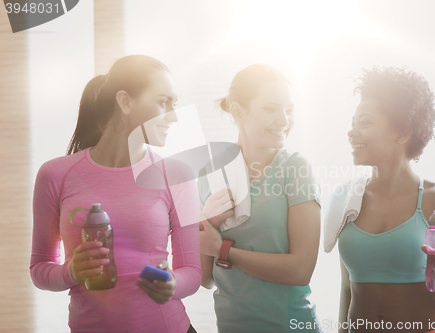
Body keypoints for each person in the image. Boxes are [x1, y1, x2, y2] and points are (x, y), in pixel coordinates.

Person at [30, 55, 201, 333]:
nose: (174, 115)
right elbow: (40, 269)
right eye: (163, 102)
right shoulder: (55, 175)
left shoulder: (178, 175)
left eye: (174, 103)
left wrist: (172, 285)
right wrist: (70, 272)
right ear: (125, 101)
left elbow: (192, 272)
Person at [329, 66, 435, 333]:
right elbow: (347, 287)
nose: (352, 132)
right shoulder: (347, 198)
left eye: (365, 122)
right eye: (353, 123)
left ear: (403, 131)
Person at [198, 64, 323, 333]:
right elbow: (205, 278)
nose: (284, 120)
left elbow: (300, 271)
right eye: (271, 108)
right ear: (237, 111)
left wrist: (224, 250)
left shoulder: (295, 168)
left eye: (289, 110)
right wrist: (206, 224)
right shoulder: (210, 175)